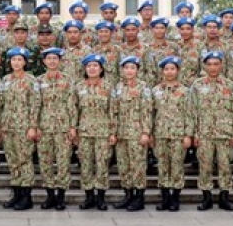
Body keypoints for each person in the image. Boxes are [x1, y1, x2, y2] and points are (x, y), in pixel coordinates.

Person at [191, 51, 233, 211]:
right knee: (205, 166)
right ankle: (207, 198)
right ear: (204, 66)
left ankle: (224, 197)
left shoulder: (230, 85)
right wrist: (195, 133)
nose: (213, 67)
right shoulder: (197, 85)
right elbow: (192, 111)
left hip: (224, 133)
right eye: (209, 64)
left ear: (221, 65)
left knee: (225, 166)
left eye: (216, 64)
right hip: (204, 133)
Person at [34, 48, 77, 211]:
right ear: (44, 61)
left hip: (63, 127)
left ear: (60, 61)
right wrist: (35, 125)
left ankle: (61, 196)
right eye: (48, 58)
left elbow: (72, 104)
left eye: (55, 58)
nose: (52, 61)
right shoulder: (38, 81)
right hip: (44, 127)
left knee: (63, 162)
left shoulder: (67, 80)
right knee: (45, 162)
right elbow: (36, 105)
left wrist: (73, 126)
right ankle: (49, 194)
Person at [0, 47, 40, 211]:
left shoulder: (31, 81)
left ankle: (26, 196)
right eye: (13, 59)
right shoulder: (5, 80)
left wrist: (32, 126)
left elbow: (35, 105)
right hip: (9, 126)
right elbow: (1, 103)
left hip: (24, 127)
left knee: (25, 161)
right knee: (12, 161)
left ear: (25, 62)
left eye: (19, 59)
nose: (16, 62)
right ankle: (16, 194)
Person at [111, 55, 153, 211]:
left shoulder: (144, 88)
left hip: (137, 132)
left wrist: (146, 132)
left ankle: (139, 197)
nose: (129, 71)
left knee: (138, 166)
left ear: (137, 70)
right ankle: (128, 195)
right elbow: (113, 111)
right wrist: (113, 132)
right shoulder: (118, 87)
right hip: (121, 133)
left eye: (132, 68)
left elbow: (147, 111)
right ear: (122, 70)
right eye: (126, 68)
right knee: (124, 166)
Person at [153, 56, 193, 212]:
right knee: (162, 166)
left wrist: (188, 135)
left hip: (178, 133)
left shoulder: (185, 91)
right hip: (160, 133)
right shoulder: (155, 90)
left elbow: (189, 113)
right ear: (162, 71)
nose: (169, 72)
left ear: (177, 71)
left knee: (177, 166)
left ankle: (175, 198)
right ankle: (165, 198)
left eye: (172, 69)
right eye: (166, 69)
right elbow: (151, 113)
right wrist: (150, 134)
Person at [76, 54, 115, 211]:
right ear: (85, 69)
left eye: (95, 66)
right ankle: (89, 197)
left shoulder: (109, 87)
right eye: (89, 66)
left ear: (101, 69)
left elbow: (113, 110)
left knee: (102, 164)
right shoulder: (79, 87)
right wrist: (74, 129)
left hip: (103, 132)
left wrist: (113, 132)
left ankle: (100, 197)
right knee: (85, 165)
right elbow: (74, 110)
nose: (92, 69)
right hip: (84, 131)